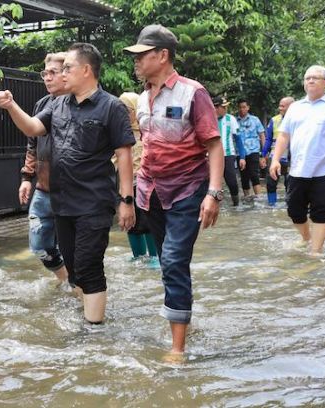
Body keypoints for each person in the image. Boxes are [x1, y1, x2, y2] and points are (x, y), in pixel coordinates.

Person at [0, 43, 136, 324]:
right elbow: (32, 127)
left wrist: (126, 201)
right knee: (75, 268)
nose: (61, 73)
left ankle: (94, 330)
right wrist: (10, 106)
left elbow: (124, 157)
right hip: (62, 202)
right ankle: (89, 312)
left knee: (90, 266)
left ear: (86, 70)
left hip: (94, 202)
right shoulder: (57, 105)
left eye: (67, 67)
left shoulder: (111, 107)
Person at [124, 24, 223, 355]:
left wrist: (213, 194)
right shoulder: (141, 98)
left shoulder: (193, 93)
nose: (136, 62)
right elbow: (146, 144)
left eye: (142, 56)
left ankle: (177, 350)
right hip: (150, 193)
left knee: (173, 259)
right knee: (170, 264)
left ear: (162, 55)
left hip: (187, 192)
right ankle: (185, 324)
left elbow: (214, 146)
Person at [269, 65, 325, 255]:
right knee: (294, 210)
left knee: (319, 211)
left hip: (324, 170)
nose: (311, 81)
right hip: (297, 169)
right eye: (307, 78)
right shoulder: (295, 108)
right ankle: (307, 238)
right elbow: (283, 135)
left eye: (316, 78)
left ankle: (316, 253)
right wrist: (275, 159)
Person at [18, 52, 69, 284]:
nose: (47, 78)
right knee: (39, 245)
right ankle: (65, 279)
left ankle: (80, 288)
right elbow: (32, 142)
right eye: (44, 73)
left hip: (73, 190)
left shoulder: (80, 103)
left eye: (53, 73)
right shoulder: (43, 104)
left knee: (73, 244)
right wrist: (27, 177)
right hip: (44, 187)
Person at [116, 92, 159, 262]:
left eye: (126, 110)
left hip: (147, 185)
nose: (123, 115)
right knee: (130, 224)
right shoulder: (117, 133)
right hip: (125, 186)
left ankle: (155, 257)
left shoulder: (148, 131)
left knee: (148, 223)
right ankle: (138, 258)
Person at [260, 97, 294, 206]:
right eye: (279, 105)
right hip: (275, 156)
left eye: (283, 106)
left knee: (290, 182)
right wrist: (263, 155)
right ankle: (272, 205)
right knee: (270, 182)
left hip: (292, 157)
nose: (280, 108)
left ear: (291, 107)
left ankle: (290, 205)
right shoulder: (274, 120)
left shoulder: (298, 120)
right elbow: (268, 139)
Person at [214, 96, 245, 206]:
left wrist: (242, 157)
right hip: (211, 157)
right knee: (214, 183)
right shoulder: (207, 118)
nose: (226, 109)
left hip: (228, 155)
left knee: (232, 182)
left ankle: (236, 205)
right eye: (224, 107)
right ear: (216, 108)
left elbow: (238, 139)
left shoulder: (230, 119)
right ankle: (215, 205)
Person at [236, 99, 265, 202]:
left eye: (244, 107)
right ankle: (247, 199)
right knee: (244, 176)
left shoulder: (255, 120)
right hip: (240, 152)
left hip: (254, 150)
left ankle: (259, 198)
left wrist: (264, 153)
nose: (242, 109)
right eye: (240, 107)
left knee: (254, 174)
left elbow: (261, 135)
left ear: (248, 107)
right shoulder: (235, 121)